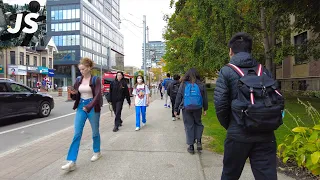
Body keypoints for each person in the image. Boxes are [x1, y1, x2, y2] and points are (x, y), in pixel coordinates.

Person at [214, 32, 280, 180]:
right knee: (266, 175)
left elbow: (220, 104)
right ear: (250, 50)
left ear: (231, 51)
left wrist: (231, 125)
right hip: (265, 133)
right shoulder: (263, 71)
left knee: (230, 174)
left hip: (238, 133)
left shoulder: (227, 71)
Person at [61, 57, 102, 171]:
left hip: (92, 106)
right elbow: (76, 95)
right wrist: (73, 93)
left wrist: (89, 106)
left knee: (95, 132)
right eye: (80, 69)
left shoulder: (95, 79)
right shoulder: (78, 79)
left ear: (89, 68)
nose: (81, 71)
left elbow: (98, 95)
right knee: (77, 133)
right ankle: (72, 161)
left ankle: (97, 152)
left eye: (83, 69)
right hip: (81, 107)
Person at [174, 68, 208, 154]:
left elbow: (179, 97)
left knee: (189, 125)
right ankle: (199, 141)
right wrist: (205, 108)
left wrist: (176, 109)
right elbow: (205, 97)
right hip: (198, 108)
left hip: (186, 108)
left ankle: (191, 146)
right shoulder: (201, 84)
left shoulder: (183, 84)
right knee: (198, 123)